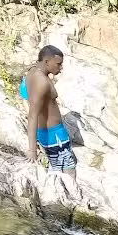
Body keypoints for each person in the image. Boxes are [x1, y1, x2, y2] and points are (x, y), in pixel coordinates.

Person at [23, 45, 81, 198]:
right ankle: (73, 200)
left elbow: (25, 96)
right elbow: (33, 115)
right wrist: (32, 150)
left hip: (46, 134)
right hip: (55, 136)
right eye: (58, 64)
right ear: (47, 61)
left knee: (55, 168)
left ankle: (59, 200)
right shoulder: (42, 82)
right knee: (67, 170)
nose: (61, 68)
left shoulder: (31, 73)